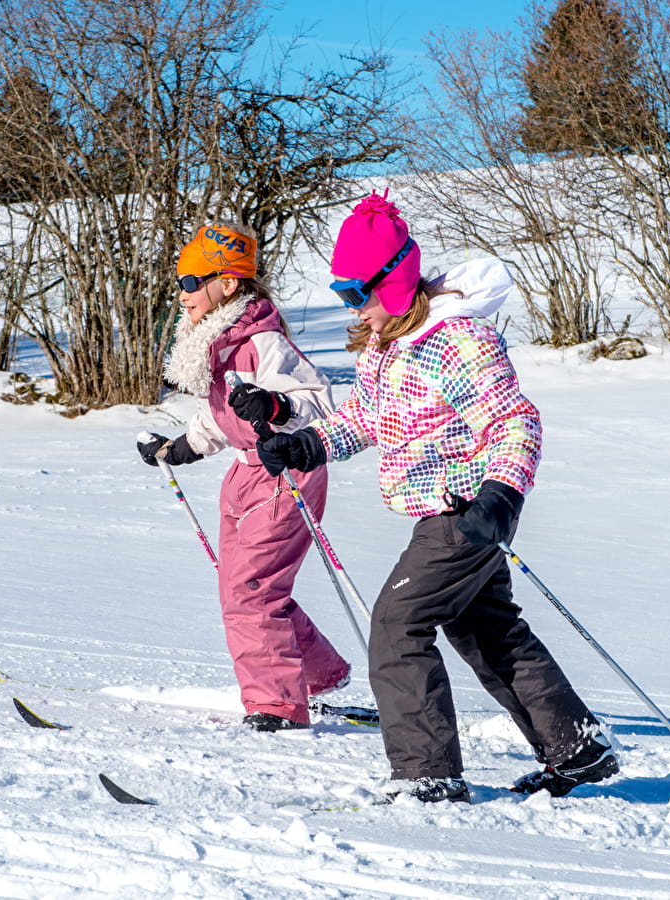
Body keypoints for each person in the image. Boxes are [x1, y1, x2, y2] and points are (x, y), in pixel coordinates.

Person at [240, 193, 619, 800]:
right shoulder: (391, 349)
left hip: (467, 511)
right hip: (447, 511)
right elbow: (368, 418)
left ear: (392, 283)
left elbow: (516, 422)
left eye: (355, 293)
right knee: (486, 629)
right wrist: (306, 444)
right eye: (342, 294)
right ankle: (576, 747)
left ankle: (428, 774)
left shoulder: (456, 342)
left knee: (397, 625)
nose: (352, 308)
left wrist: (501, 495)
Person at [137, 222, 352, 732]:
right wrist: (183, 446)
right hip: (246, 477)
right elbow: (220, 414)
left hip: (286, 472)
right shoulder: (221, 342)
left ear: (226, 284)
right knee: (249, 589)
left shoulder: (263, 342)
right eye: (180, 281)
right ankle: (317, 677)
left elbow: (319, 404)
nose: (182, 293)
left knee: (250, 593)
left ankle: (276, 706)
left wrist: (275, 403)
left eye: (190, 281)